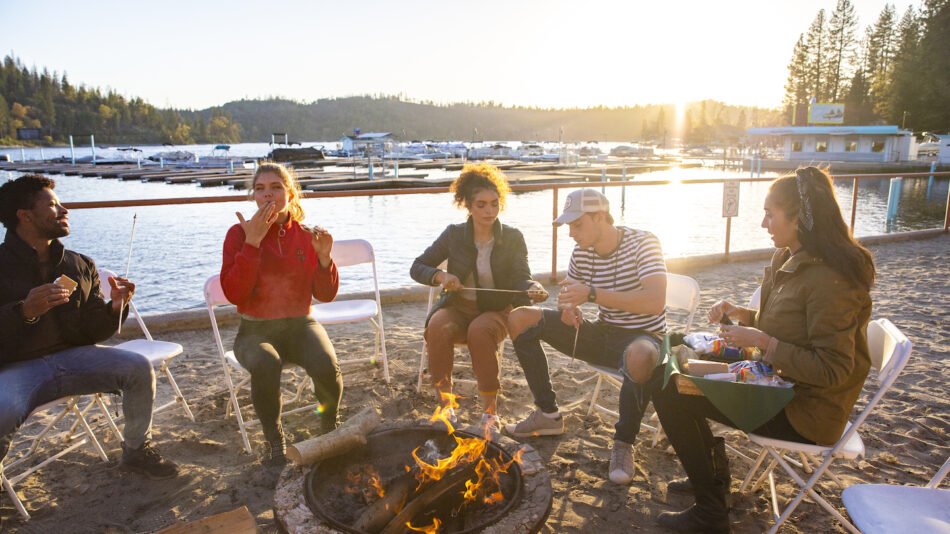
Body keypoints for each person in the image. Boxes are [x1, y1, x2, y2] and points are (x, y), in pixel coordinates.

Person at [652, 166, 876, 533]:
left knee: (668, 389)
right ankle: (712, 478)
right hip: (777, 384)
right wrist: (744, 315)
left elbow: (833, 369)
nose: (763, 223)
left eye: (770, 213)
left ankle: (711, 508)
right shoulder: (789, 260)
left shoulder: (830, 281)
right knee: (674, 365)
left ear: (799, 219)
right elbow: (791, 325)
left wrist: (762, 342)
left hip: (806, 413)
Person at [0, 174, 178, 480]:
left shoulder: (79, 264)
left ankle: (136, 451)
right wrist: (24, 311)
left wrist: (115, 307)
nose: (64, 210)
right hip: (18, 368)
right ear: (25, 216)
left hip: (75, 359)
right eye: (52, 205)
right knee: (2, 408)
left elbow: (92, 332)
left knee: (138, 368)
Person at [505, 188, 668, 486]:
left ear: (600, 217)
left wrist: (593, 294)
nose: (571, 234)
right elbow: (566, 298)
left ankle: (623, 443)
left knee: (641, 354)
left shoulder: (644, 242)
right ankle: (548, 414)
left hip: (644, 337)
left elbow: (655, 301)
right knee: (519, 318)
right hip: (603, 333)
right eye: (569, 226)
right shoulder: (581, 252)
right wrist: (569, 310)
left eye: (577, 225)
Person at [220, 162, 342, 464]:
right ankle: (275, 443)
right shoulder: (238, 234)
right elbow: (234, 293)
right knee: (266, 362)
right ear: (253, 196)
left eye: (276, 187)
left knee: (326, 365)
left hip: (300, 324)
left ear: (290, 193)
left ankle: (329, 426)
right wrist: (253, 242)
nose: (268, 195)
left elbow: (325, 295)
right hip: (254, 329)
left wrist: (325, 259)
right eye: (260, 189)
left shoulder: (305, 235)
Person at [411, 163, 547, 430]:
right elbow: (418, 266)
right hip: (458, 308)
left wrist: (532, 286)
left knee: (479, 330)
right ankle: (445, 406)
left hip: (496, 311)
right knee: (437, 325)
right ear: (468, 206)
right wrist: (441, 276)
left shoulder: (513, 237)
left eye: (495, 204)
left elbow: (522, 275)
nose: (489, 211)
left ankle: (490, 412)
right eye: (482, 204)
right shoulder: (453, 235)